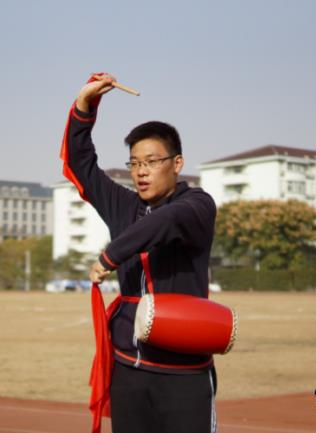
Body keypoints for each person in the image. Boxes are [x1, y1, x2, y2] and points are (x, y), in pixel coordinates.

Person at [61, 74, 217, 433]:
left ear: (177, 164)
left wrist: (110, 256)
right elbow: (80, 164)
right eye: (134, 163)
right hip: (128, 370)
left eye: (151, 162)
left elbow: (166, 221)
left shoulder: (197, 204)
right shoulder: (123, 205)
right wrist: (85, 105)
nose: (141, 172)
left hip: (184, 373)